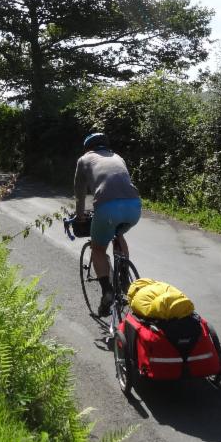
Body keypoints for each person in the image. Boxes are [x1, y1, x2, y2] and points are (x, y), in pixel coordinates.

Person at [74, 132, 142, 316]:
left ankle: (107, 291)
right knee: (118, 233)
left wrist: (80, 216)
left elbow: (80, 193)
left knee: (98, 249)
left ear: (88, 147)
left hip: (107, 208)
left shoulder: (84, 159)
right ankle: (124, 276)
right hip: (134, 207)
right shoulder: (117, 157)